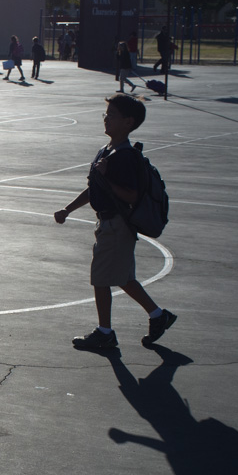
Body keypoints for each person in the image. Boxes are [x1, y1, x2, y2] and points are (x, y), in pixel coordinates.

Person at [53, 93, 176, 351]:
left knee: (101, 278)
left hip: (118, 225)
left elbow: (131, 195)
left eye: (112, 115)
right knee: (122, 277)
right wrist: (68, 209)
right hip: (108, 224)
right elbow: (93, 188)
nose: (106, 119)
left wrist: (106, 177)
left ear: (128, 122)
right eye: (105, 114)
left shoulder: (125, 157)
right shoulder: (106, 151)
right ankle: (157, 316)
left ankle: (105, 332)